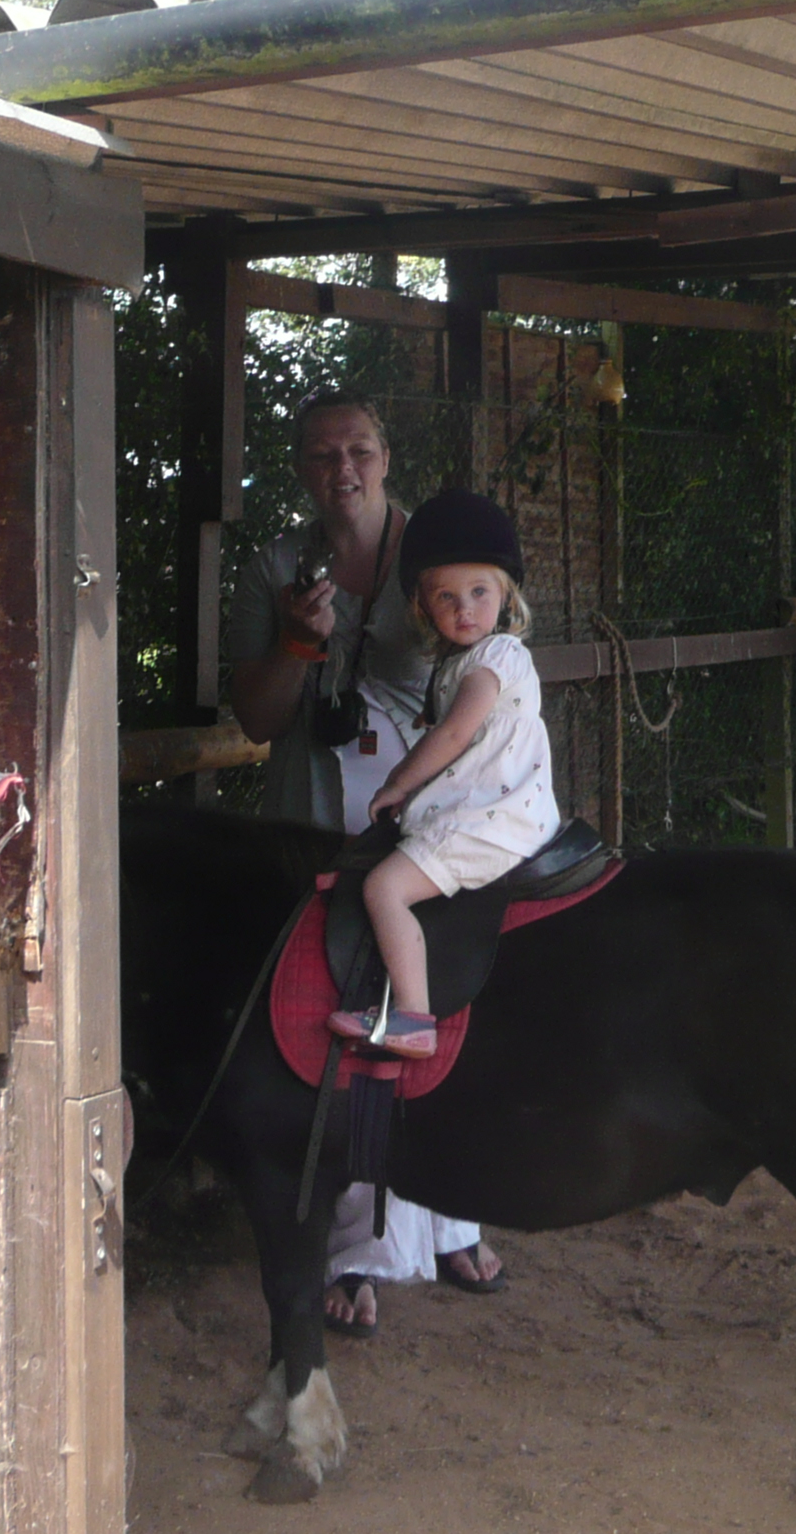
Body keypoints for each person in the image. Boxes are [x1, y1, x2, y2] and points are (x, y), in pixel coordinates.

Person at [224, 390, 507, 1328]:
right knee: (339, 1022)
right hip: (315, 811)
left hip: (423, 810)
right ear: (301, 469)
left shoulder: (437, 552)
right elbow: (257, 719)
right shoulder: (275, 566)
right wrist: (298, 642)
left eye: (357, 450)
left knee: (441, 1003)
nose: (341, 469)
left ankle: (453, 1212)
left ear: (385, 457)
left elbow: (488, 665)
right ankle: (358, 1247)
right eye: (320, 454)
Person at [325, 486, 561, 1059]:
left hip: (490, 819)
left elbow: (454, 734)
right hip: (482, 811)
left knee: (385, 889)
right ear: (423, 607)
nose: (464, 609)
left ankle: (413, 1019)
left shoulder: (497, 657)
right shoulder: (459, 665)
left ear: (506, 597)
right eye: (446, 597)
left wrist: (397, 783)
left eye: (479, 592)